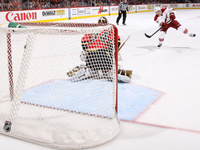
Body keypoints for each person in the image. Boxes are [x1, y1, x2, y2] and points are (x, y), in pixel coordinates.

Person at [67, 16, 132, 83]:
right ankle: (109, 71)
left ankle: (89, 70)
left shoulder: (92, 29)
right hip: (103, 56)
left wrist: (86, 51)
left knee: (86, 59)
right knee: (112, 57)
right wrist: (113, 52)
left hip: (91, 57)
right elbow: (117, 41)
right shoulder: (110, 29)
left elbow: (84, 42)